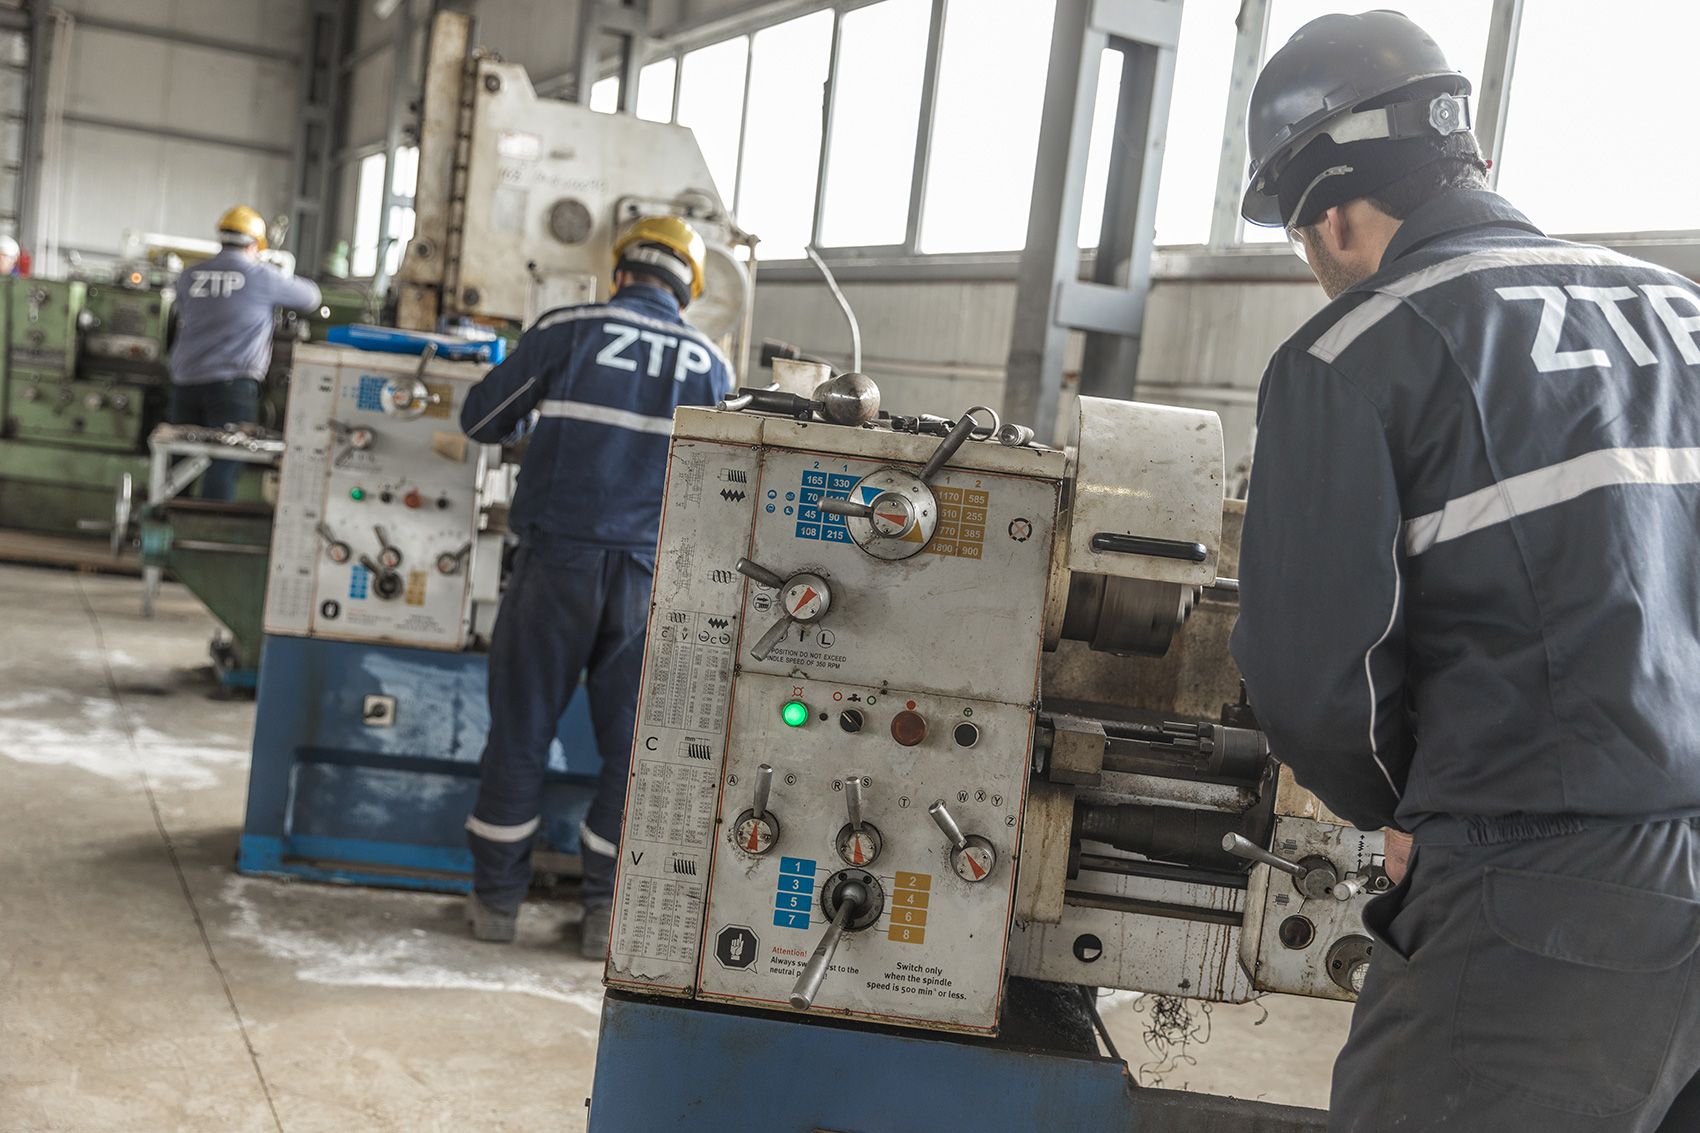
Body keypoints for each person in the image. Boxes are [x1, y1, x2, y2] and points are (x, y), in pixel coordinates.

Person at [1229, 11, 1700, 1130]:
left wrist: (1398, 807)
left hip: (1540, 896)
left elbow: (1313, 680)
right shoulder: (1681, 312)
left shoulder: (1352, 353)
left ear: (1331, 213)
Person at [459, 215, 733, 958]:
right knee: (633, 746)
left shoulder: (569, 328)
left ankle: (497, 905)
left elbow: (481, 420)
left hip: (556, 564)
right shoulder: (711, 364)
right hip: (647, 579)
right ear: (688, 287)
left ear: (620, 271)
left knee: (521, 730)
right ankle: (603, 912)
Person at [168, 205, 321, 500]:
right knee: (225, 460)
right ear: (254, 245)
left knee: (180, 458)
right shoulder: (260, 276)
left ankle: (169, 518)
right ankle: (209, 522)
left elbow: (183, 313)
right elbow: (311, 297)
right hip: (232, 384)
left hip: (186, 380)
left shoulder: (189, 276)